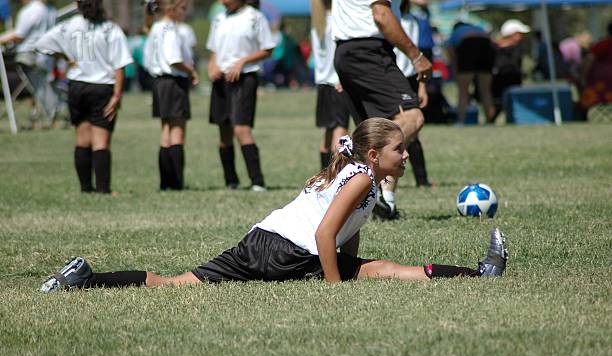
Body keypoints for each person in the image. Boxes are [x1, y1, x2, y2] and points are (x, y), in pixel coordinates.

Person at [40, 118, 508, 292]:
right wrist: (335, 286)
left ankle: (83, 279)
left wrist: (346, 261)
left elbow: (343, 228)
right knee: (382, 269)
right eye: (399, 150)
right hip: (291, 253)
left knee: (172, 283)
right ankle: (480, 273)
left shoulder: (357, 174)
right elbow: (325, 234)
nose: (405, 156)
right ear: (373, 156)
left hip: (260, 241)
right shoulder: (364, 178)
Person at [328, 0, 433, 221]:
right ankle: (353, 174)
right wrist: (417, 56)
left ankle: (385, 204)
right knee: (411, 118)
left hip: (347, 52)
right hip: (370, 52)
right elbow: (381, 15)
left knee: (378, 131)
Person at [35, 0, 132, 194]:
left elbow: (41, 44)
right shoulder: (109, 29)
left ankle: (86, 189)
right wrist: (117, 94)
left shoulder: (69, 25)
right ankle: (104, 190)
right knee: (101, 141)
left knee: (82, 139)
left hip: (77, 87)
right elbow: (119, 64)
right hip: (102, 87)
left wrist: (63, 57)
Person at [207, 0, 276, 191]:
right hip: (221, 81)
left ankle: (257, 181)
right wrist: (212, 67)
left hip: (244, 79)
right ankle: (231, 181)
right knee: (224, 132)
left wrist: (242, 61)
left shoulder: (255, 17)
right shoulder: (219, 18)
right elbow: (214, 50)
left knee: (241, 129)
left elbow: (268, 49)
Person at [144, 0, 199, 191]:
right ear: (171, 9)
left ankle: (165, 182)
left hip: (159, 82)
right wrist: (191, 71)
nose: (184, 13)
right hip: (173, 83)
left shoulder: (156, 28)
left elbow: (147, 58)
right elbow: (174, 59)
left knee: (165, 132)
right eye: (182, 9)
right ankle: (176, 183)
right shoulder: (170, 30)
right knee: (177, 133)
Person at [0, 0, 58, 128]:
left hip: (30, 55)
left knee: (39, 88)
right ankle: (41, 117)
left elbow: (19, 36)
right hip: (47, 56)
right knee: (41, 87)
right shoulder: (51, 10)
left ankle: (51, 117)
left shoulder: (31, 10)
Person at [393, 0, 432, 188]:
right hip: (389, 77)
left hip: (408, 79)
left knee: (414, 129)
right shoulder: (389, 18)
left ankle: (422, 180)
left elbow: (419, 56)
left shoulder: (413, 21)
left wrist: (422, 86)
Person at [311, 0, 351, 169]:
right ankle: (337, 177)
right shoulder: (339, 20)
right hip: (338, 82)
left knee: (328, 133)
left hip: (323, 84)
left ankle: (324, 175)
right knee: (340, 131)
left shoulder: (317, 23)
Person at [446, 21, 495, 124]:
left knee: (463, 90)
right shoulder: (478, 28)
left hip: (468, 43)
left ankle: (461, 121)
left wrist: (456, 74)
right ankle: (490, 121)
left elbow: (452, 56)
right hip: (486, 44)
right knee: (486, 90)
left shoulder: (455, 33)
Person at [491, 19, 530, 122]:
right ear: (511, 34)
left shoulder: (518, 49)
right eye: (519, 34)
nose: (521, 37)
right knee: (497, 103)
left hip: (514, 82)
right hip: (498, 82)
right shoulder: (494, 47)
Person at [580, 21, 612, 113]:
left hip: (603, 79)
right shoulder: (604, 43)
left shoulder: (604, 43)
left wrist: (584, 75)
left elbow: (590, 58)